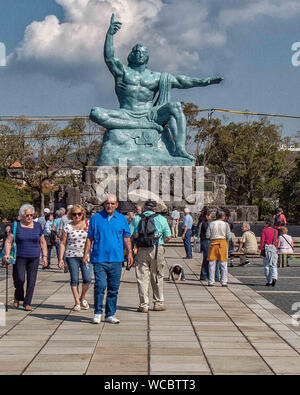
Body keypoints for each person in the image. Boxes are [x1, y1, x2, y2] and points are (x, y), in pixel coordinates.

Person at [90, 14, 223, 162]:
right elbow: (109, 58)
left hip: (150, 115)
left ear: (147, 57)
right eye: (136, 51)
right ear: (130, 55)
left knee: (176, 107)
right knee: (95, 113)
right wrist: (109, 35)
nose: (139, 54)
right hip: (126, 114)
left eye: (143, 52)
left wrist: (205, 81)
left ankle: (180, 149)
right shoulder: (122, 71)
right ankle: (141, 125)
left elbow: (181, 81)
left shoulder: (156, 77)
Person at [83, 195, 133, 324]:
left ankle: (110, 314)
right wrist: (85, 254)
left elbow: (127, 237)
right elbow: (90, 238)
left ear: (116, 205)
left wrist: (130, 253)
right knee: (100, 285)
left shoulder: (122, 219)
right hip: (99, 258)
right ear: (104, 204)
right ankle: (98, 312)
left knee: (113, 288)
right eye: (107, 203)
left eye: (112, 203)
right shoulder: (95, 218)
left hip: (116, 258)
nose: (109, 205)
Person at [3, 204, 48, 311]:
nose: (29, 217)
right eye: (27, 215)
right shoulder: (16, 225)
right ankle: (18, 296)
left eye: (31, 215)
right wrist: (7, 254)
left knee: (32, 281)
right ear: (22, 215)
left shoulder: (37, 226)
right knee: (20, 279)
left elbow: (42, 241)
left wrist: (45, 256)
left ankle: (27, 303)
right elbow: (8, 241)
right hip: (20, 257)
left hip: (34, 256)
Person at [132, 200, 171, 312]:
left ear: (144, 208)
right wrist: (160, 240)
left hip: (141, 250)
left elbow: (130, 234)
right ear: (155, 208)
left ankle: (144, 305)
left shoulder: (137, 218)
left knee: (141, 277)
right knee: (157, 275)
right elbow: (168, 236)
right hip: (157, 248)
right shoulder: (161, 219)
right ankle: (158, 302)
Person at [59, 205, 92, 311]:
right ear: (71, 215)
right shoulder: (68, 226)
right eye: (74, 214)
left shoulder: (88, 224)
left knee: (87, 278)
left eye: (79, 214)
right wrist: (60, 258)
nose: (76, 216)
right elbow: (63, 243)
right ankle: (77, 302)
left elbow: (94, 239)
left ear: (82, 214)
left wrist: (90, 232)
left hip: (85, 255)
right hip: (71, 255)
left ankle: (82, 297)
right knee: (74, 279)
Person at [206, 210, 231, 287]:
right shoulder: (226, 224)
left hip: (213, 243)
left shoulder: (211, 224)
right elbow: (228, 236)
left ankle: (211, 281)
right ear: (223, 217)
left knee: (212, 263)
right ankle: (224, 281)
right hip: (223, 243)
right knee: (223, 263)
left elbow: (207, 235)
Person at [260, 217, 278, 287]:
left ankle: (269, 281)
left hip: (266, 249)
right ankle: (274, 277)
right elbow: (275, 241)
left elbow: (262, 241)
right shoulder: (275, 231)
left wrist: (261, 249)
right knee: (274, 264)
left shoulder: (264, 230)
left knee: (266, 266)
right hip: (273, 248)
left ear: (267, 223)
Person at [197, 209, 212, 281]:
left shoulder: (202, 222)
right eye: (210, 216)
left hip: (203, 241)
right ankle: (204, 275)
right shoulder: (204, 223)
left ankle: (205, 274)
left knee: (206, 258)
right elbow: (208, 232)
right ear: (207, 216)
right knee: (206, 258)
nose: (211, 217)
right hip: (205, 241)